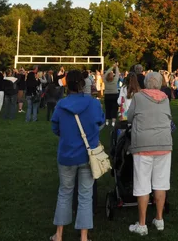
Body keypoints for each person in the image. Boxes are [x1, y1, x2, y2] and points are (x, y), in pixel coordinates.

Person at [51, 70, 105, 241]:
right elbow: (100, 121)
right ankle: (83, 236)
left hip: (67, 154)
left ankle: (59, 234)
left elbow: (55, 128)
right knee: (85, 195)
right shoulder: (93, 104)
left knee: (65, 192)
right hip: (88, 156)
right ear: (83, 83)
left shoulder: (61, 105)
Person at [127, 71, 172, 236]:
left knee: (142, 184)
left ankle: (142, 223)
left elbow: (130, 117)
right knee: (161, 183)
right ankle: (159, 219)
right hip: (164, 144)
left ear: (146, 83)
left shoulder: (138, 97)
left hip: (143, 145)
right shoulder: (165, 99)